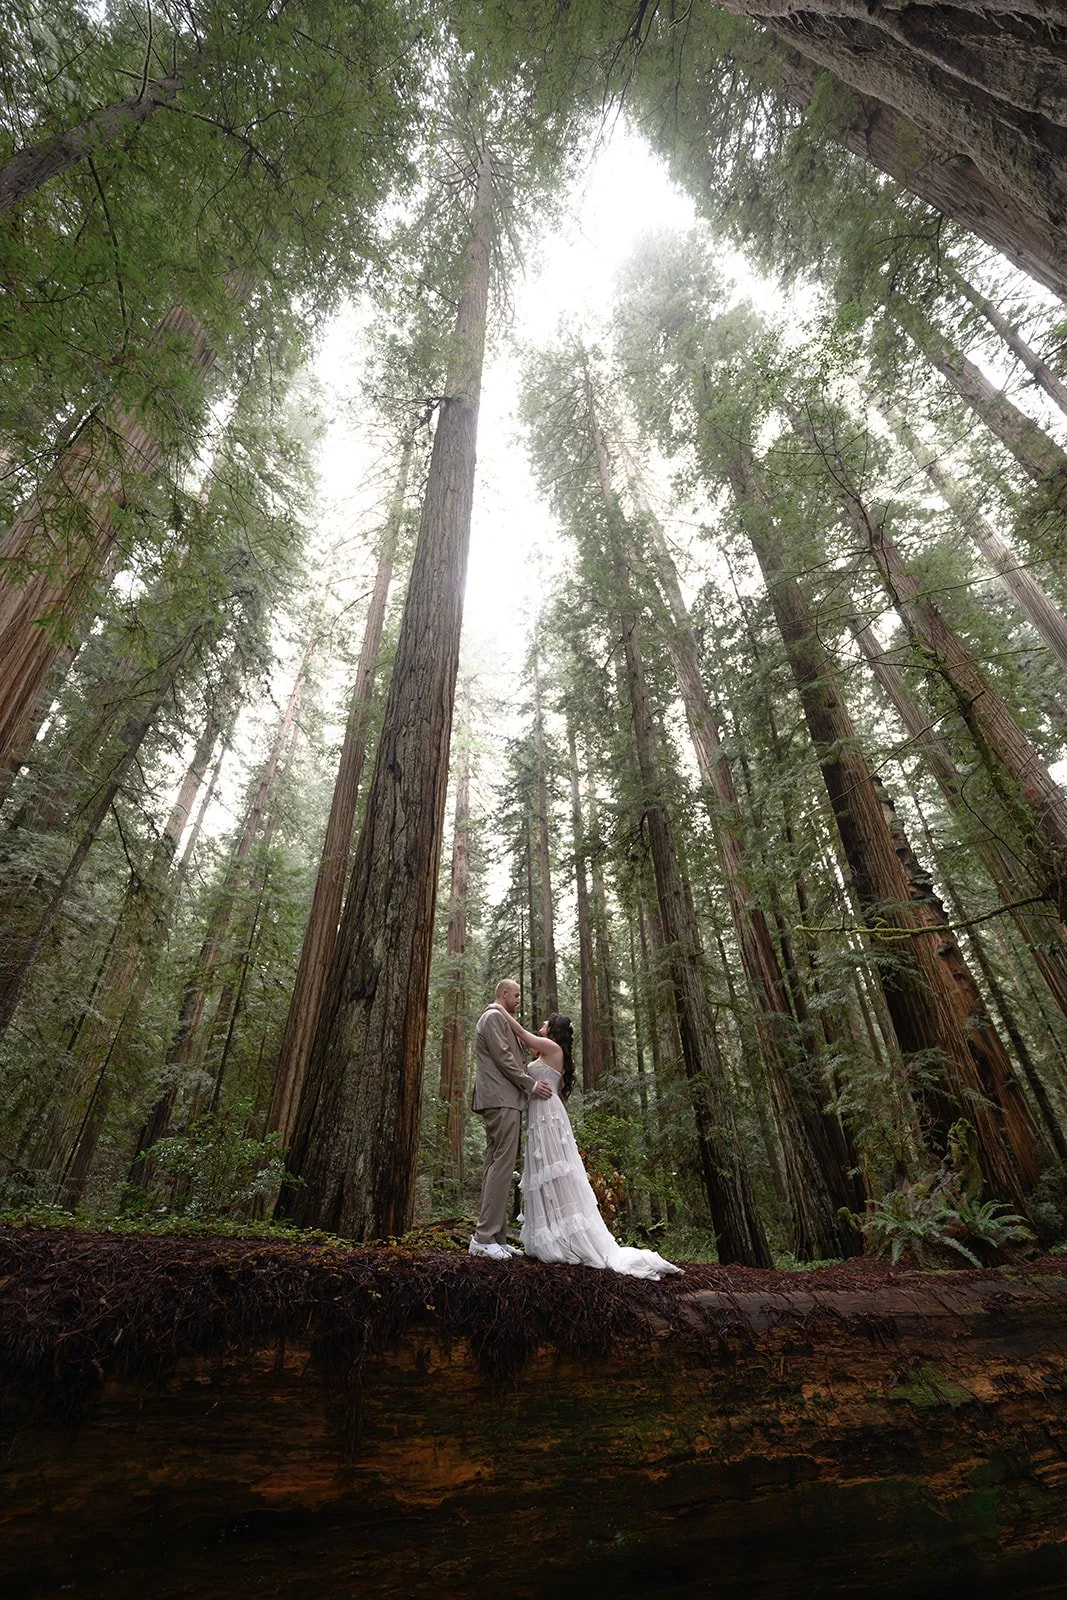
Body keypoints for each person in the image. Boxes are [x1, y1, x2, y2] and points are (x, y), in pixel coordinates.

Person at [494, 1004, 682, 1281]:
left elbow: (520, 1032)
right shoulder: (548, 1051)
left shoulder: (551, 1048)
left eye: (546, 1024)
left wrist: (499, 1009)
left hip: (548, 1115)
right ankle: (553, 1235)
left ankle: (564, 1238)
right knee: (545, 1169)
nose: (541, 1026)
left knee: (554, 1170)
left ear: (553, 1031)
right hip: (541, 1114)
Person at [469, 978, 553, 1261]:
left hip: (503, 1100)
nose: (519, 999)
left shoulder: (500, 1018)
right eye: (515, 995)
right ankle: (483, 1238)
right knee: (501, 1165)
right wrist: (530, 1084)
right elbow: (505, 1059)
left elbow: (512, 1052)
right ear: (503, 994)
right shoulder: (492, 1017)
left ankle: (495, 1237)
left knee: (496, 1165)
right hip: (500, 1099)